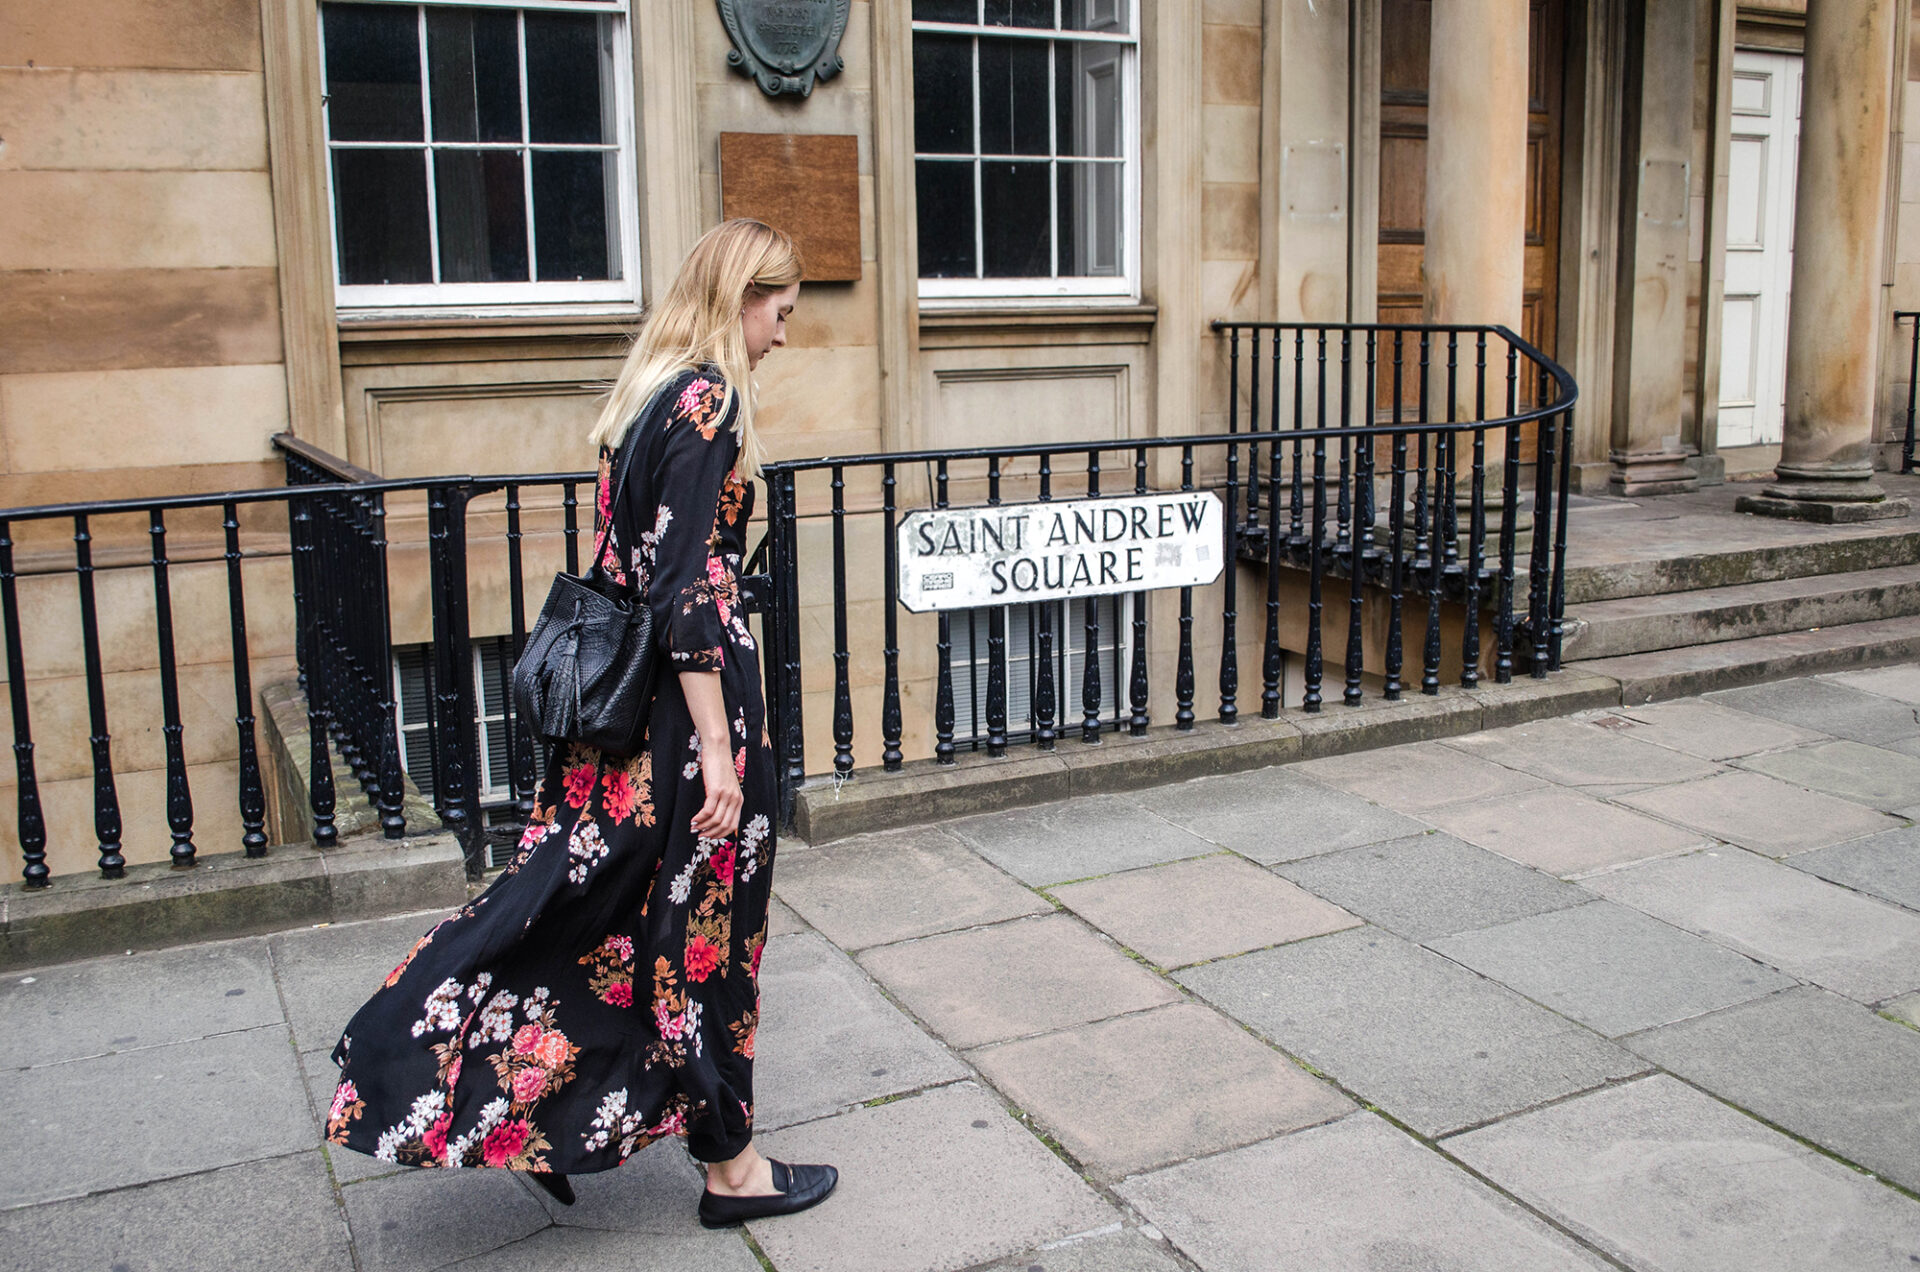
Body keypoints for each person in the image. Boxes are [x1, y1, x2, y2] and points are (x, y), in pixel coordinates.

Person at [324, 218, 835, 1230]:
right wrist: (723, 755)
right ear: (745, 296)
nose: (783, 332)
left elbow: (635, 569)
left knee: (585, 904)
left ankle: (535, 1102)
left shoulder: (649, 397)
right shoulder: (707, 399)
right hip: (688, 727)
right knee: (703, 937)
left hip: (631, 726)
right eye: (781, 309)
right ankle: (730, 1170)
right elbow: (686, 590)